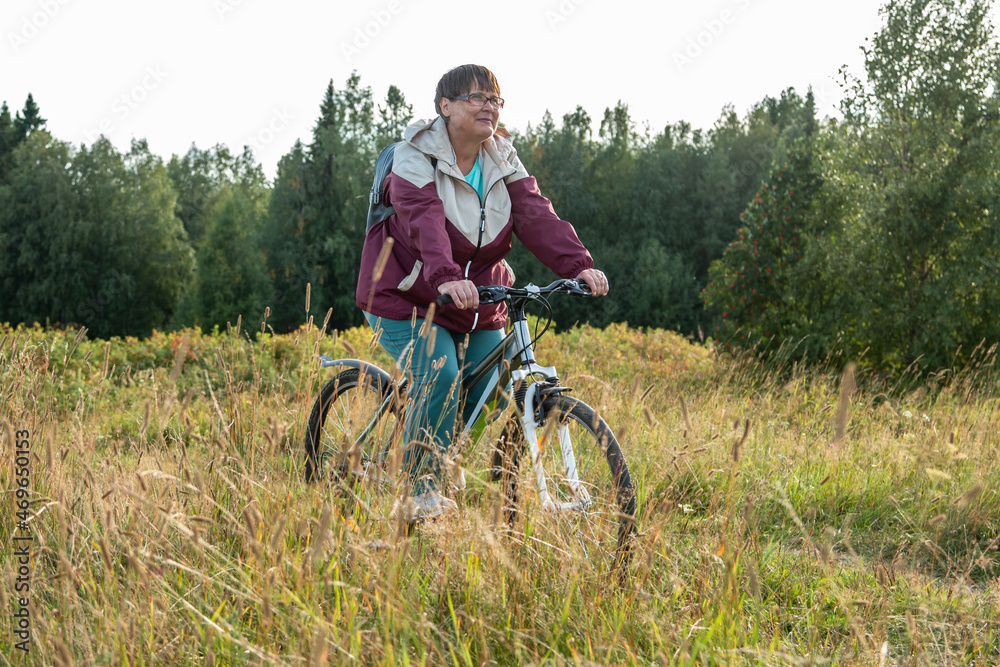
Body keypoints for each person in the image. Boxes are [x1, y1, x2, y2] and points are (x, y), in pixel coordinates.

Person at [356, 64, 608, 522]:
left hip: (478, 300)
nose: (488, 105)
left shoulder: (501, 157)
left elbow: (534, 212)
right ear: (445, 106)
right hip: (406, 293)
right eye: (477, 97)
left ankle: (434, 456)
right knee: (441, 372)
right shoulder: (416, 154)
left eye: (495, 99)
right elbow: (422, 217)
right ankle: (420, 490)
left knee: (493, 388)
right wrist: (447, 275)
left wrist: (579, 265)